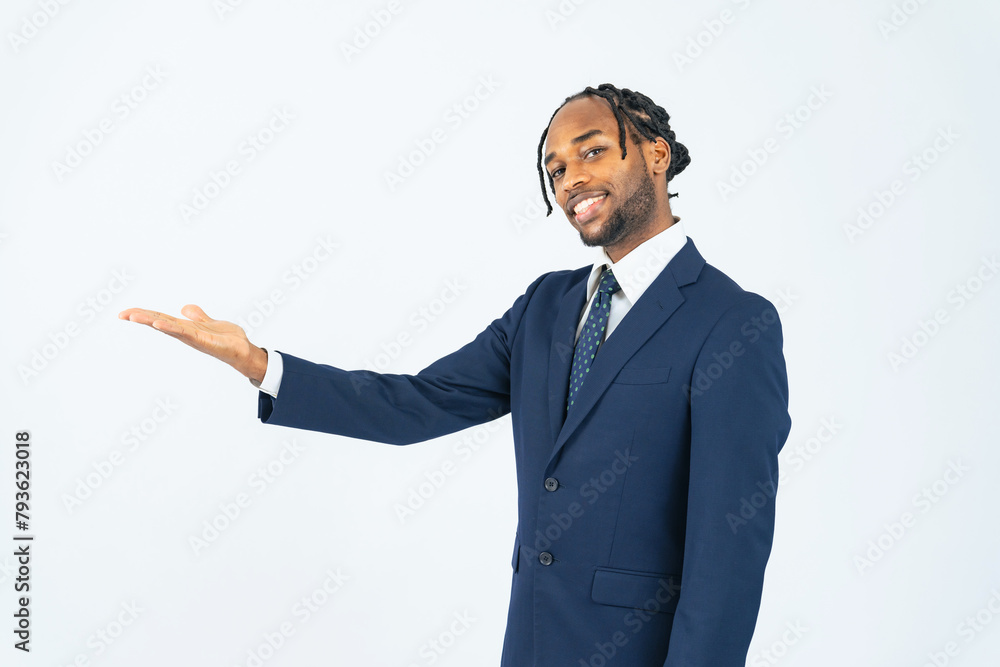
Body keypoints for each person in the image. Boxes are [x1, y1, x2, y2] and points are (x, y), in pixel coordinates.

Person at [120, 83, 791, 666]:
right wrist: (260, 364)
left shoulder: (733, 324)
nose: (570, 181)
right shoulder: (546, 307)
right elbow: (417, 403)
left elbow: (727, 557)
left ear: (655, 154)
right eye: (554, 168)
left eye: (591, 151)